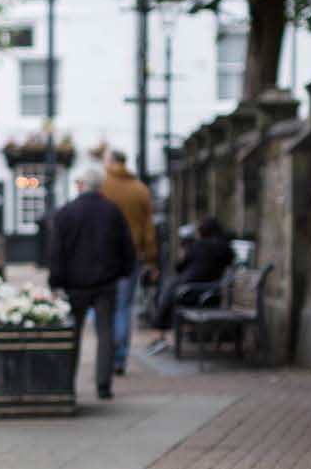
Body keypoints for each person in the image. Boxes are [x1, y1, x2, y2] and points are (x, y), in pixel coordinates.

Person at [46, 159, 135, 402]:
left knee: (72, 335)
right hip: (106, 283)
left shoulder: (66, 213)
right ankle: (103, 385)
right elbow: (126, 246)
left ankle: (68, 385)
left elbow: (56, 252)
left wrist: (55, 282)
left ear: (81, 184)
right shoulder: (112, 211)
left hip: (75, 286)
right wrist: (124, 271)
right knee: (105, 334)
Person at [98, 150, 156, 378]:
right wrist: (151, 258)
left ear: (111, 162)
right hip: (132, 255)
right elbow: (149, 229)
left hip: (103, 256)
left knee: (104, 307)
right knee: (124, 307)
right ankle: (120, 357)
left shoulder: (102, 185)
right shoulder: (140, 189)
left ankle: (108, 354)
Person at [146, 217, 235, 354]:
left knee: (167, 288)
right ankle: (159, 335)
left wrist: (185, 253)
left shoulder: (198, 246)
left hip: (191, 293)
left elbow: (179, 267)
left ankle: (159, 335)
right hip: (211, 293)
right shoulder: (225, 248)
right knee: (168, 288)